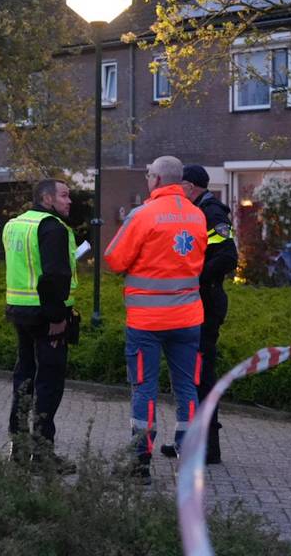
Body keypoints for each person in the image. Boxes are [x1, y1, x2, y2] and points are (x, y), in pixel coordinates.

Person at [103, 156, 206, 484]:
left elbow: (114, 259)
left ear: (158, 179)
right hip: (188, 318)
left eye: (149, 175)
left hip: (147, 322)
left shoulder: (143, 215)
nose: (147, 179)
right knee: (187, 387)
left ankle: (140, 462)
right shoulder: (197, 215)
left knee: (144, 388)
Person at [160, 164, 238, 464]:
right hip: (197, 302)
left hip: (206, 302)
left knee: (201, 375)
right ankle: (192, 442)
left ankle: (207, 448)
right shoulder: (196, 211)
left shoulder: (211, 213)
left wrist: (194, 276)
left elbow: (228, 256)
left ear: (190, 187)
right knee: (191, 375)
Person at [2, 178, 79, 474]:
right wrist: (58, 318)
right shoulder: (53, 227)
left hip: (19, 311)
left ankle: (18, 449)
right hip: (47, 316)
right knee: (49, 383)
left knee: (24, 378)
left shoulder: (14, 225)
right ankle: (43, 454)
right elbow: (54, 276)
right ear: (47, 199)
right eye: (64, 195)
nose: (69, 201)